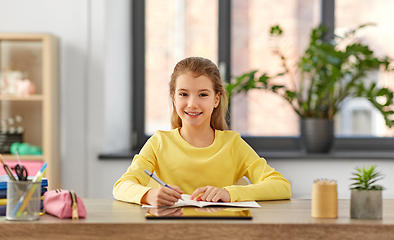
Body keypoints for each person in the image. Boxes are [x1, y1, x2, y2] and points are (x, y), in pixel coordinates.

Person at [113, 57, 292, 207]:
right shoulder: (159, 142)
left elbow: (281, 186)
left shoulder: (232, 144)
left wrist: (229, 193)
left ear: (216, 99)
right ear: (173, 98)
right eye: (183, 94)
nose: (192, 103)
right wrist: (149, 195)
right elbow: (121, 186)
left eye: (203, 95)